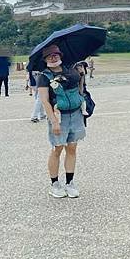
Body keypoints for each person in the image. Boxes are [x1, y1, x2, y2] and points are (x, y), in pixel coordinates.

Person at [38, 44, 86, 198]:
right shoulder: (43, 76)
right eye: (50, 56)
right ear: (45, 59)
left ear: (60, 55)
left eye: (56, 55)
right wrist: (54, 122)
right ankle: (54, 184)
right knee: (57, 149)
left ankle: (70, 182)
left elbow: (80, 91)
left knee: (72, 148)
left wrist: (82, 76)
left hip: (76, 114)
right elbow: (45, 101)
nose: (54, 57)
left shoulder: (70, 70)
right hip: (59, 116)